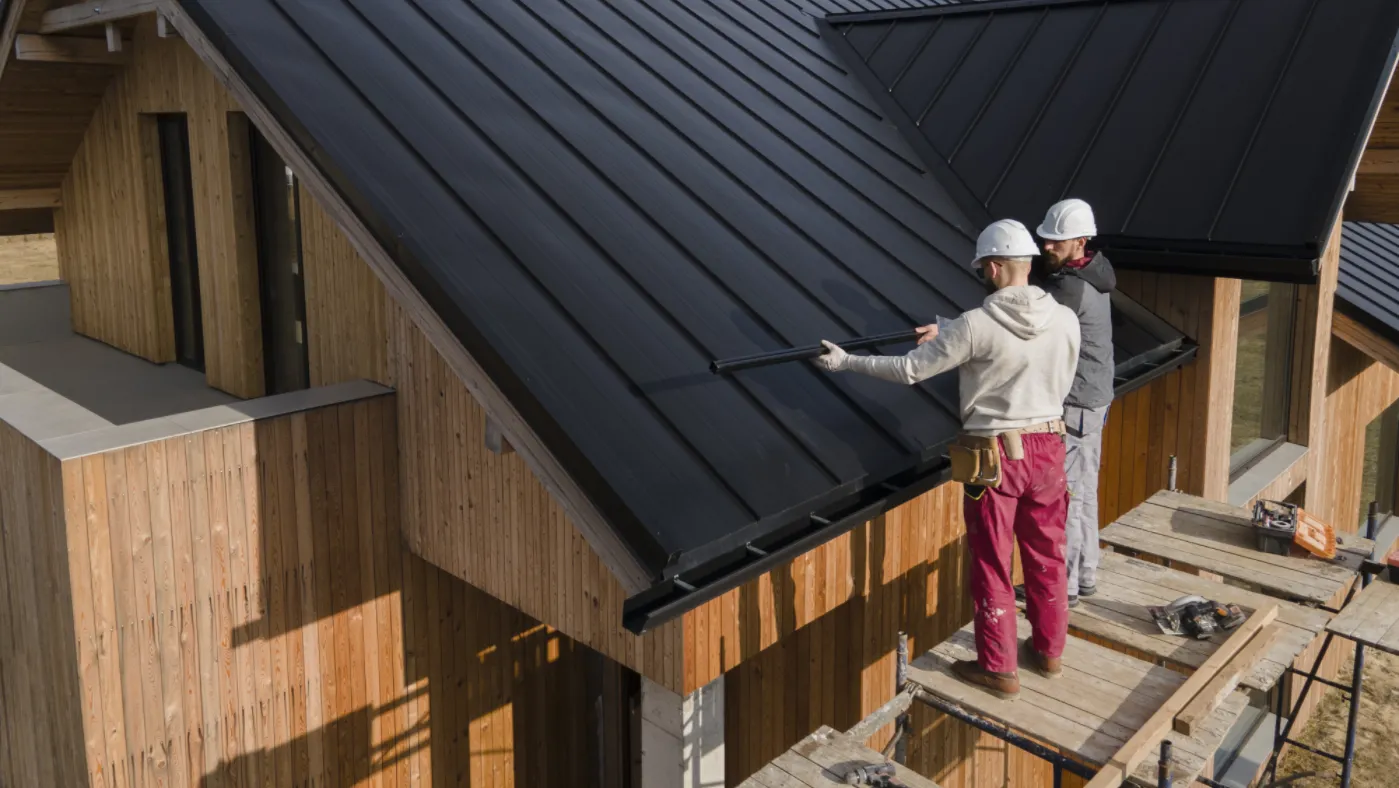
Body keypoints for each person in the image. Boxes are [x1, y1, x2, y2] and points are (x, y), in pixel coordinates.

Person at [814, 219, 1080, 700]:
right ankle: (1050, 653)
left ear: (995, 267)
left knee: (994, 562)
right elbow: (1020, 347)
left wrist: (846, 362)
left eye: (983, 268)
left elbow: (912, 369)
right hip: (1051, 450)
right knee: (1047, 554)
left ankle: (999, 670)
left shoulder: (977, 325)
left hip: (997, 456)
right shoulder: (1065, 317)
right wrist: (952, 330)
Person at [1035, 199, 1115, 607]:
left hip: (1079, 404)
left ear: (1080, 241)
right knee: (1084, 490)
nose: (1046, 245)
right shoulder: (1095, 274)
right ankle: (1084, 576)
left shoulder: (1070, 288)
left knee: (1067, 495)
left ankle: (1064, 589)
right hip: (1093, 400)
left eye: (1056, 240)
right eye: (1045, 238)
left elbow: (1027, 323)